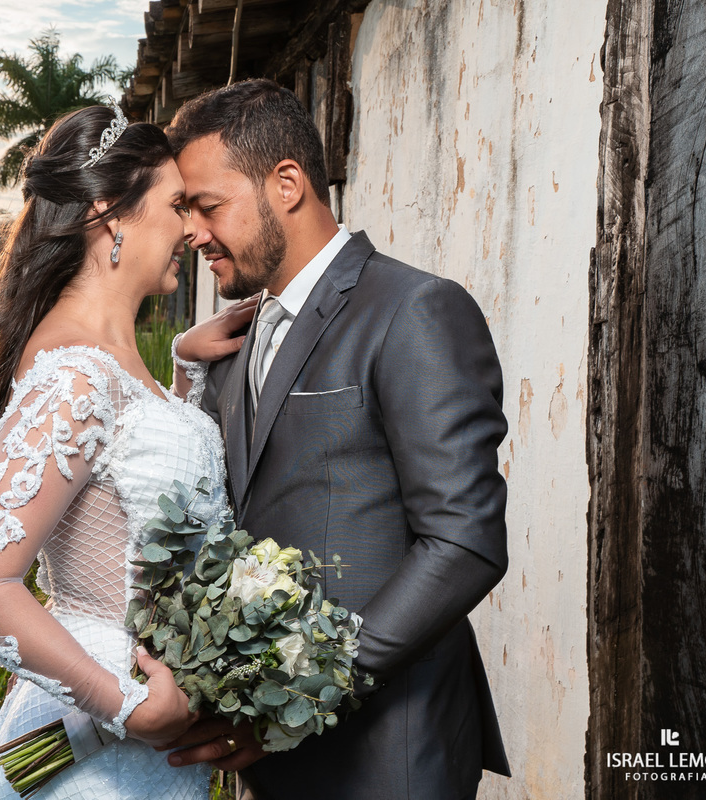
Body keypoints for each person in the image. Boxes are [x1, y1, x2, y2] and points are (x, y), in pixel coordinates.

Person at [164, 79, 512, 799]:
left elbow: (464, 540)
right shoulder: (231, 340)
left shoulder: (414, 310)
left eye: (207, 205)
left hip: (389, 750)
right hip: (272, 756)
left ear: (286, 184)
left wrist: (305, 688)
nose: (191, 232)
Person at [0, 104, 245, 800]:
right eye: (175, 206)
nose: (191, 230)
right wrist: (127, 706)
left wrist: (182, 380)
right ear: (112, 215)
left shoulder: (108, 358)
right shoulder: (75, 375)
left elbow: (133, 488)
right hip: (97, 749)